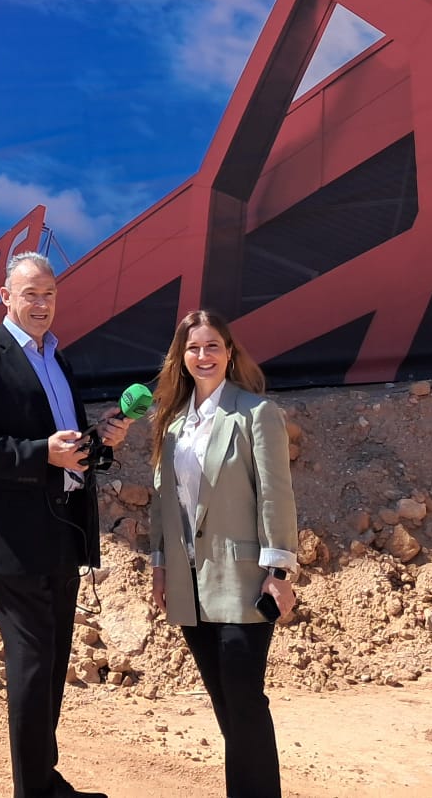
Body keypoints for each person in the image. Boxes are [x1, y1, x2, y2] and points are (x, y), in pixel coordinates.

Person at [0, 252, 128, 798]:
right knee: (30, 665)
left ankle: (43, 778)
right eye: (30, 294)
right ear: (5, 296)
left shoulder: (57, 357)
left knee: (52, 663)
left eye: (48, 293)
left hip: (62, 527)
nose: (41, 304)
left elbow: (65, 445)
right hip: (12, 536)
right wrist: (39, 454)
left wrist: (102, 444)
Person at [148, 311, 298, 798]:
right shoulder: (172, 425)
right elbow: (164, 502)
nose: (203, 355)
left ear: (229, 352)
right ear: (181, 357)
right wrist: (161, 567)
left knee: (244, 699)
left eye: (213, 346)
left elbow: (275, 495)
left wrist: (278, 571)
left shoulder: (256, 413)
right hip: (189, 584)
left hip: (243, 580)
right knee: (223, 701)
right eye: (194, 348)